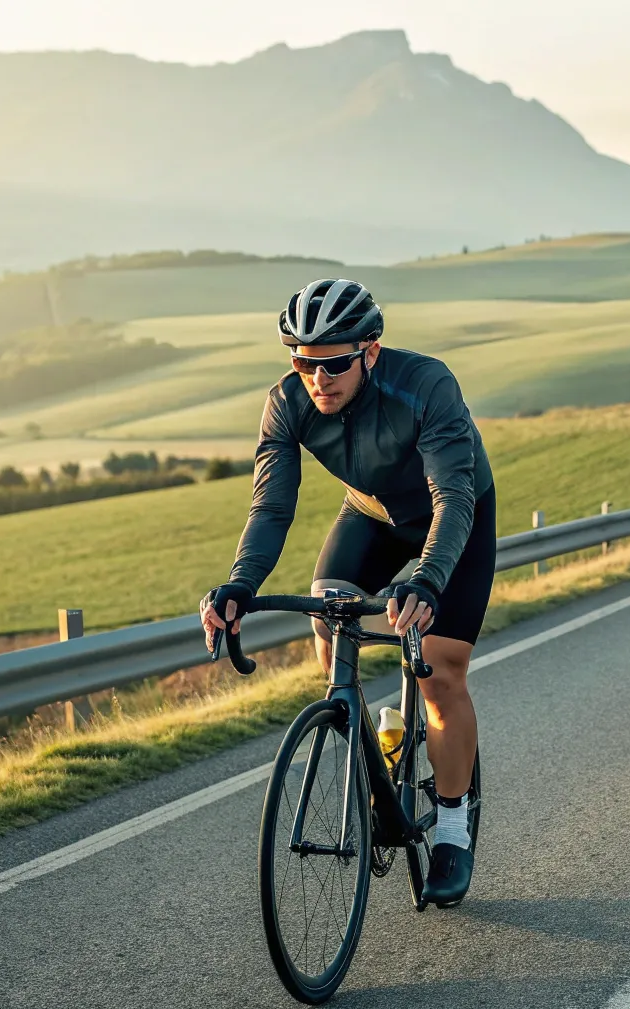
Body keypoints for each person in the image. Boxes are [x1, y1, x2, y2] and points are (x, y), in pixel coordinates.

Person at [200, 278, 493, 907]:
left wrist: (428, 579)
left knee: (439, 670)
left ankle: (450, 827)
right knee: (329, 615)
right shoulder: (287, 403)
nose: (318, 377)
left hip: (454, 517)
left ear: (371, 350)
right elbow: (271, 506)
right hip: (371, 515)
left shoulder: (426, 385)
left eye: (333, 362)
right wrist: (240, 584)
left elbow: (452, 498)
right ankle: (372, 744)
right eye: (303, 362)